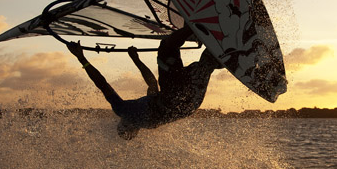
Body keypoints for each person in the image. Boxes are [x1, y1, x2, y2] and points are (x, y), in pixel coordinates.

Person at [67, 27, 223, 139]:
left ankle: (229, 48)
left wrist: (136, 60)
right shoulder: (123, 110)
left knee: (205, 65)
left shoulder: (150, 122)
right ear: (123, 124)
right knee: (166, 48)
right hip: (173, 97)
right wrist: (81, 57)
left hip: (191, 104)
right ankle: (195, 26)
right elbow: (101, 83)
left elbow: (152, 84)